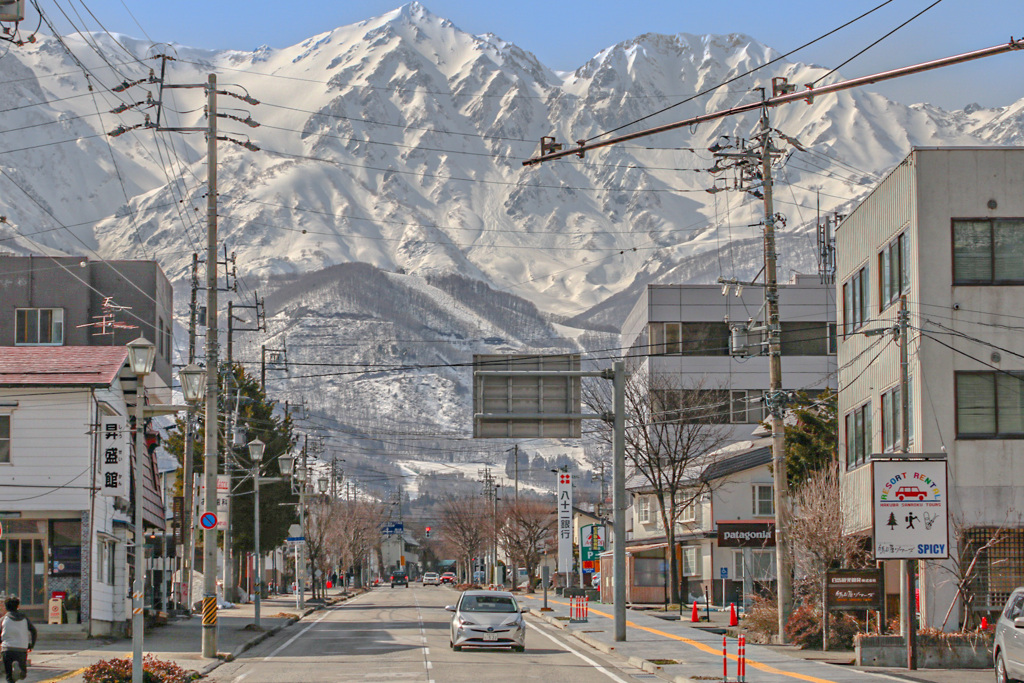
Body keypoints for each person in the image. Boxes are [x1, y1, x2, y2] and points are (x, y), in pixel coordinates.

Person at [1, 596, 37, 683]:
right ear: (18, 606)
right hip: (21, 649)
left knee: (9, 678)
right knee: (23, 675)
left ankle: (13, 673)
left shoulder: (3, 619)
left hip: (7, 649)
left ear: (5, 607)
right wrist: (31, 645)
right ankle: (19, 671)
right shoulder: (25, 619)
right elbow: (34, 631)